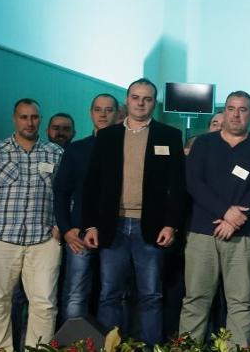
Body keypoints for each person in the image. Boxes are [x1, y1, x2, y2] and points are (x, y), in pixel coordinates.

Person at [82, 79, 187, 345]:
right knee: (109, 294)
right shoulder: (108, 135)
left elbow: (178, 186)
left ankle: (152, 348)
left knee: (151, 295)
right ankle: (111, 348)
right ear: (127, 101)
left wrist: (171, 225)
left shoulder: (169, 135)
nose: (141, 103)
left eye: (147, 98)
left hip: (150, 227)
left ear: (154, 102)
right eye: (136, 97)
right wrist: (90, 225)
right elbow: (93, 184)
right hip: (111, 224)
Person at [0, 98, 64, 351]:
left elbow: (67, 195)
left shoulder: (55, 153)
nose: (29, 122)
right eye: (24, 117)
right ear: (14, 119)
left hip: (44, 241)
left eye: (34, 117)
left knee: (44, 304)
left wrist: (61, 224)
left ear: (40, 119)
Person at [179, 91, 250, 347]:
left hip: (245, 235)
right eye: (231, 108)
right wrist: (225, 212)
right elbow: (194, 184)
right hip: (203, 233)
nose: (236, 114)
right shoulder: (203, 143)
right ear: (223, 113)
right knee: (195, 299)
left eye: (243, 109)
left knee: (241, 302)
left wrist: (234, 220)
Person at [53, 93, 118, 321]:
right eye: (98, 109)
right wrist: (66, 228)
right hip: (78, 232)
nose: (103, 114)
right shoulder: (76, 149)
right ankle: (74, 345)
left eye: (108, 110)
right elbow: (61, 192)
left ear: (117, 114)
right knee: (75, 294)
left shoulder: (127, 148)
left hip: (116, 233)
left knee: (112, 295)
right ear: (91, 113)